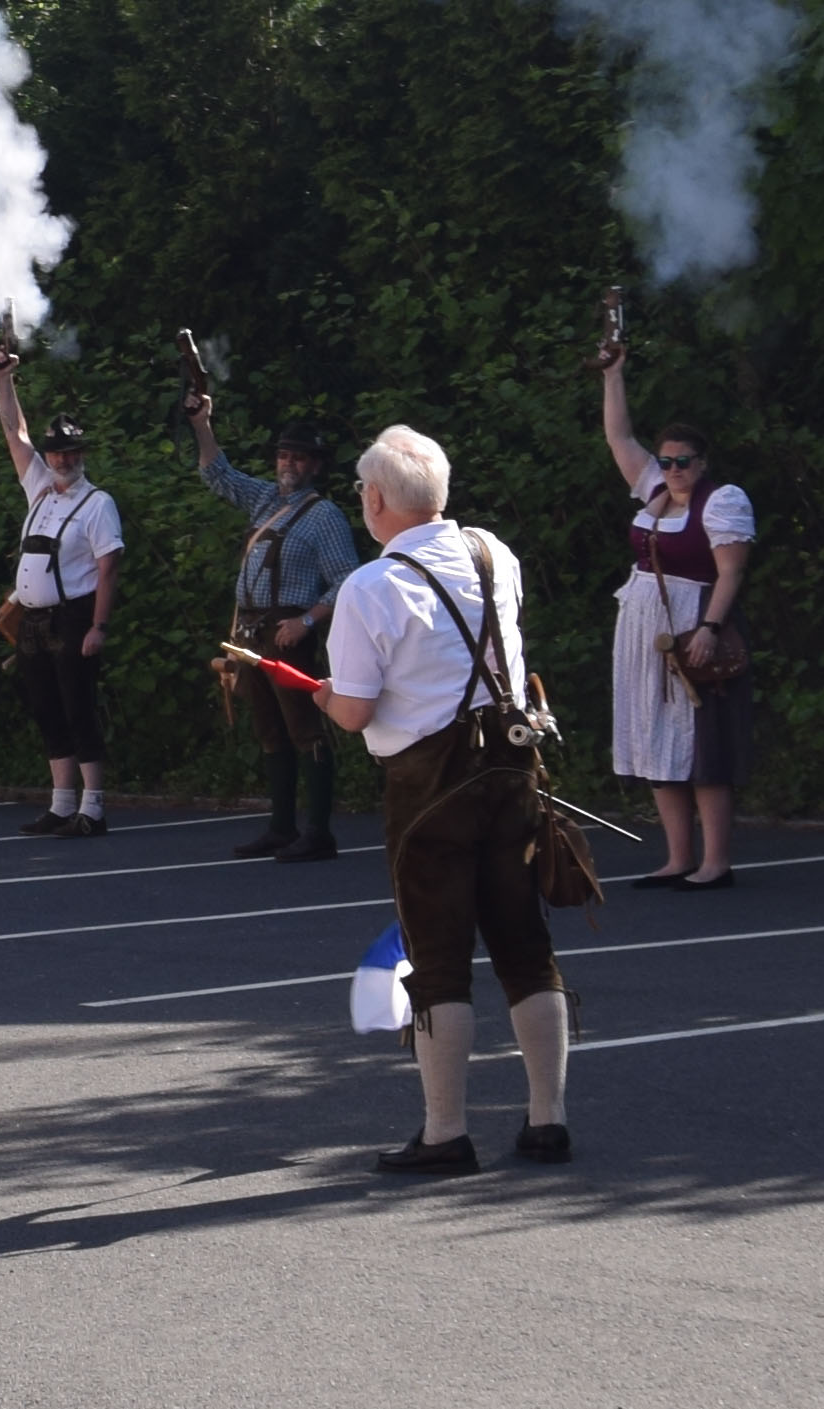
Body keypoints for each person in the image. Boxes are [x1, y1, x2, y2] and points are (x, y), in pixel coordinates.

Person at [319, 421, 573, 1177]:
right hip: (511, 769)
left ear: (376, 499)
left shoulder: (369, 587)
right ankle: (548, 1119)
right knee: (526, 947)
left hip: (428, 788)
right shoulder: (497, 553)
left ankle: (445, 1132)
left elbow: (357, 711)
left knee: (438, 960)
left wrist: (327, 698)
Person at [593, 332, 755, 890]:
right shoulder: (653, 489)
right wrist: (613, 373)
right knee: (656, 738)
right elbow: (618, 436)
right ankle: (677, 857)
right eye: (667, 460)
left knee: (700, 742)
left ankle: (715, 861)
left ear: (702, 462)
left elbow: (731, 570)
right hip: (644, 627)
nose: (674, 468)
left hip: (691, 621)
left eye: (683, 461)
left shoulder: (724, 500)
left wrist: (710, 626)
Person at [191, 389, 360, 862]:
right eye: (284, 455)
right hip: (252, 634)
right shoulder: (265, 498)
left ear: (316, 466)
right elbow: (216, 474)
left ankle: (318, 831)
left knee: (306, 730)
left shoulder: (325, 515)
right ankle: (281, 827)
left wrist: (306, 621)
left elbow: (348, 578)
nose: (289, 463)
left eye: (299, 457)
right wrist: (202, 423)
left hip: (289, 634)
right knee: (270, 731)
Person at [0, 346, 123, 837]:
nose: (63, 460)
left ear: (82, 455)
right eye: (56, 453)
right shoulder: (39, 486)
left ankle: (94, 808)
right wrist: (4, 379)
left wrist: (98, 626)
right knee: (45, 707)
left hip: (74, 616)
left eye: (70, 453)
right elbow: (13, 431)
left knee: (78, 707)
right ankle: (61, 804)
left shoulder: (98, 503)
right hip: (33, 618)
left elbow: (109, 569)